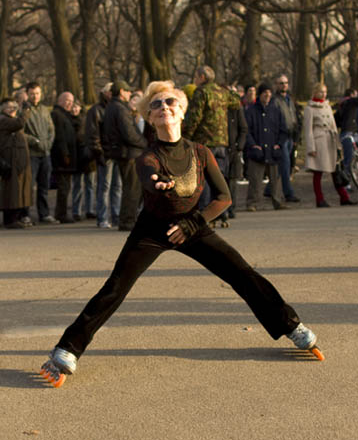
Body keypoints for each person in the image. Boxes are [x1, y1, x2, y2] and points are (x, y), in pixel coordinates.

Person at [40, 80, 322, 385]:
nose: (164, 108)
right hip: (151, 229)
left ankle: (292, 326)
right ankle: (67, 349)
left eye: (170, 102)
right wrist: (158, 182)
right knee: (115, 287)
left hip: (193, 226)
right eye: (156, 105)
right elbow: (150, 176)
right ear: (149, 117)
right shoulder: (147, 156)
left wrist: (193, 223)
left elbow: (224, 198)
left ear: (182, 112)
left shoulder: (200, 153)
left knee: (243, 273)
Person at [182, 64, 240, 207]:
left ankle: (206, 211)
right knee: (219, 177)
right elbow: (237, 101)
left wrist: (185, 138)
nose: (194, 80)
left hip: (204, 141)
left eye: (196, 77)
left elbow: (194, 118)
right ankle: (222, 211)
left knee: (205, 178)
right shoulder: (222, 92)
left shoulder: (201, 92)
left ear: (202, 77)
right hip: (221, 141)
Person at [102, 80, 148, 231]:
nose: (130, 94)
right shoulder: (120, 109)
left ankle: (126, 219)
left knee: (128, 187)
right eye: (128, 91)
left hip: (122, 152)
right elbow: (129, 133)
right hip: (129, 153)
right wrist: (144, 143)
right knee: (132, 188)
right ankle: (128, 220)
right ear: (122, 91)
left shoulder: (111, 107)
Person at [302, 83, 356, 207]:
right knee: (318, 172)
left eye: (325, 92)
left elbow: (333, 126)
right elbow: (308, 129)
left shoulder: (327, 106)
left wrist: (338, 144)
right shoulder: (310, 108)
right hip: (319, 141)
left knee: (336, 170)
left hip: (330, 141)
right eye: (321, 92)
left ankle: (344, 197)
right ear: (315, 92)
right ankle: (319, 199)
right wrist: (311, 147)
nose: (323, 94)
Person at [244, 83, 286, 211]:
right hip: (257, 151)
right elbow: (246, 130)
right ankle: (252, 203)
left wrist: (279, 144)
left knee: (275, 179)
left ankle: (278, 201)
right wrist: (253, 145)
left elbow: (283, 129)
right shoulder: (251, 110)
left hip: (273, 150)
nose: (267, 95)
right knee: (255, 179)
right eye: (264, 93)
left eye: (269, 93)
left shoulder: (276, 110)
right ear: (260, 95)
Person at [85, 83, 122, 229]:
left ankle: (116, 215)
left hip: (117, 152)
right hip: (104, 153)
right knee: (104, 186)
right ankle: (103, 217)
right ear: (104, 93)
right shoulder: (96, 110)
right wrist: (99, 152)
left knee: (117, 186)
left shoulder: (117, 108)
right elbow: (92, 134)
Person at [0, 97, 33, 228]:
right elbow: (20, 124)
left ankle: (18, 217)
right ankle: (11, 220)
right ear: (3, 109)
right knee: (13, 191)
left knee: (18, 190)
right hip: (11, 161)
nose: (12, 109)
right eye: (9, 107)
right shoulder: (3, 120)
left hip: (18, 160)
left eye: (14, 107)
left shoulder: (8, 120)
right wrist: (26, 110)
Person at [23, 81, 57, 224]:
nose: (35, 96)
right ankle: (25, 215)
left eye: (37, 93)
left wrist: (48, 143)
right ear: (27, 94)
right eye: (32, 94)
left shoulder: (44, 109)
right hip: (32, 154)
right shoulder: (24, 110)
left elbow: (51, 130)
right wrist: (35, 142)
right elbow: (21, 132)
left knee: (44, 186)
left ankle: (44, 214)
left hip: (46, 153)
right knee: (29, 187)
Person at [271, 74, 301, 202]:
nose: (284, 85)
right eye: (281, 83)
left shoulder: (290, 100)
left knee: (282, 166)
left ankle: (268, 189)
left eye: (286, 83)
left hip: (291, 136)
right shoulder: (275, 101)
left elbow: (294, 118)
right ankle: (288, 193)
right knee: (285, 165)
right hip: (281, 137)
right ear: (276, 85)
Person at [51, 91, 78, 223]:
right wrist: (65, 154)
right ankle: (61, 213)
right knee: (63, 187)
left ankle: (61, 212)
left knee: (66, 187)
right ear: (59, 100)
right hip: (61, 158)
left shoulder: (66, 115)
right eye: (67, 100)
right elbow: (60, 137)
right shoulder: (57, 114)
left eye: (71, 101)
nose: (69, 104)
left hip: (67, 156)